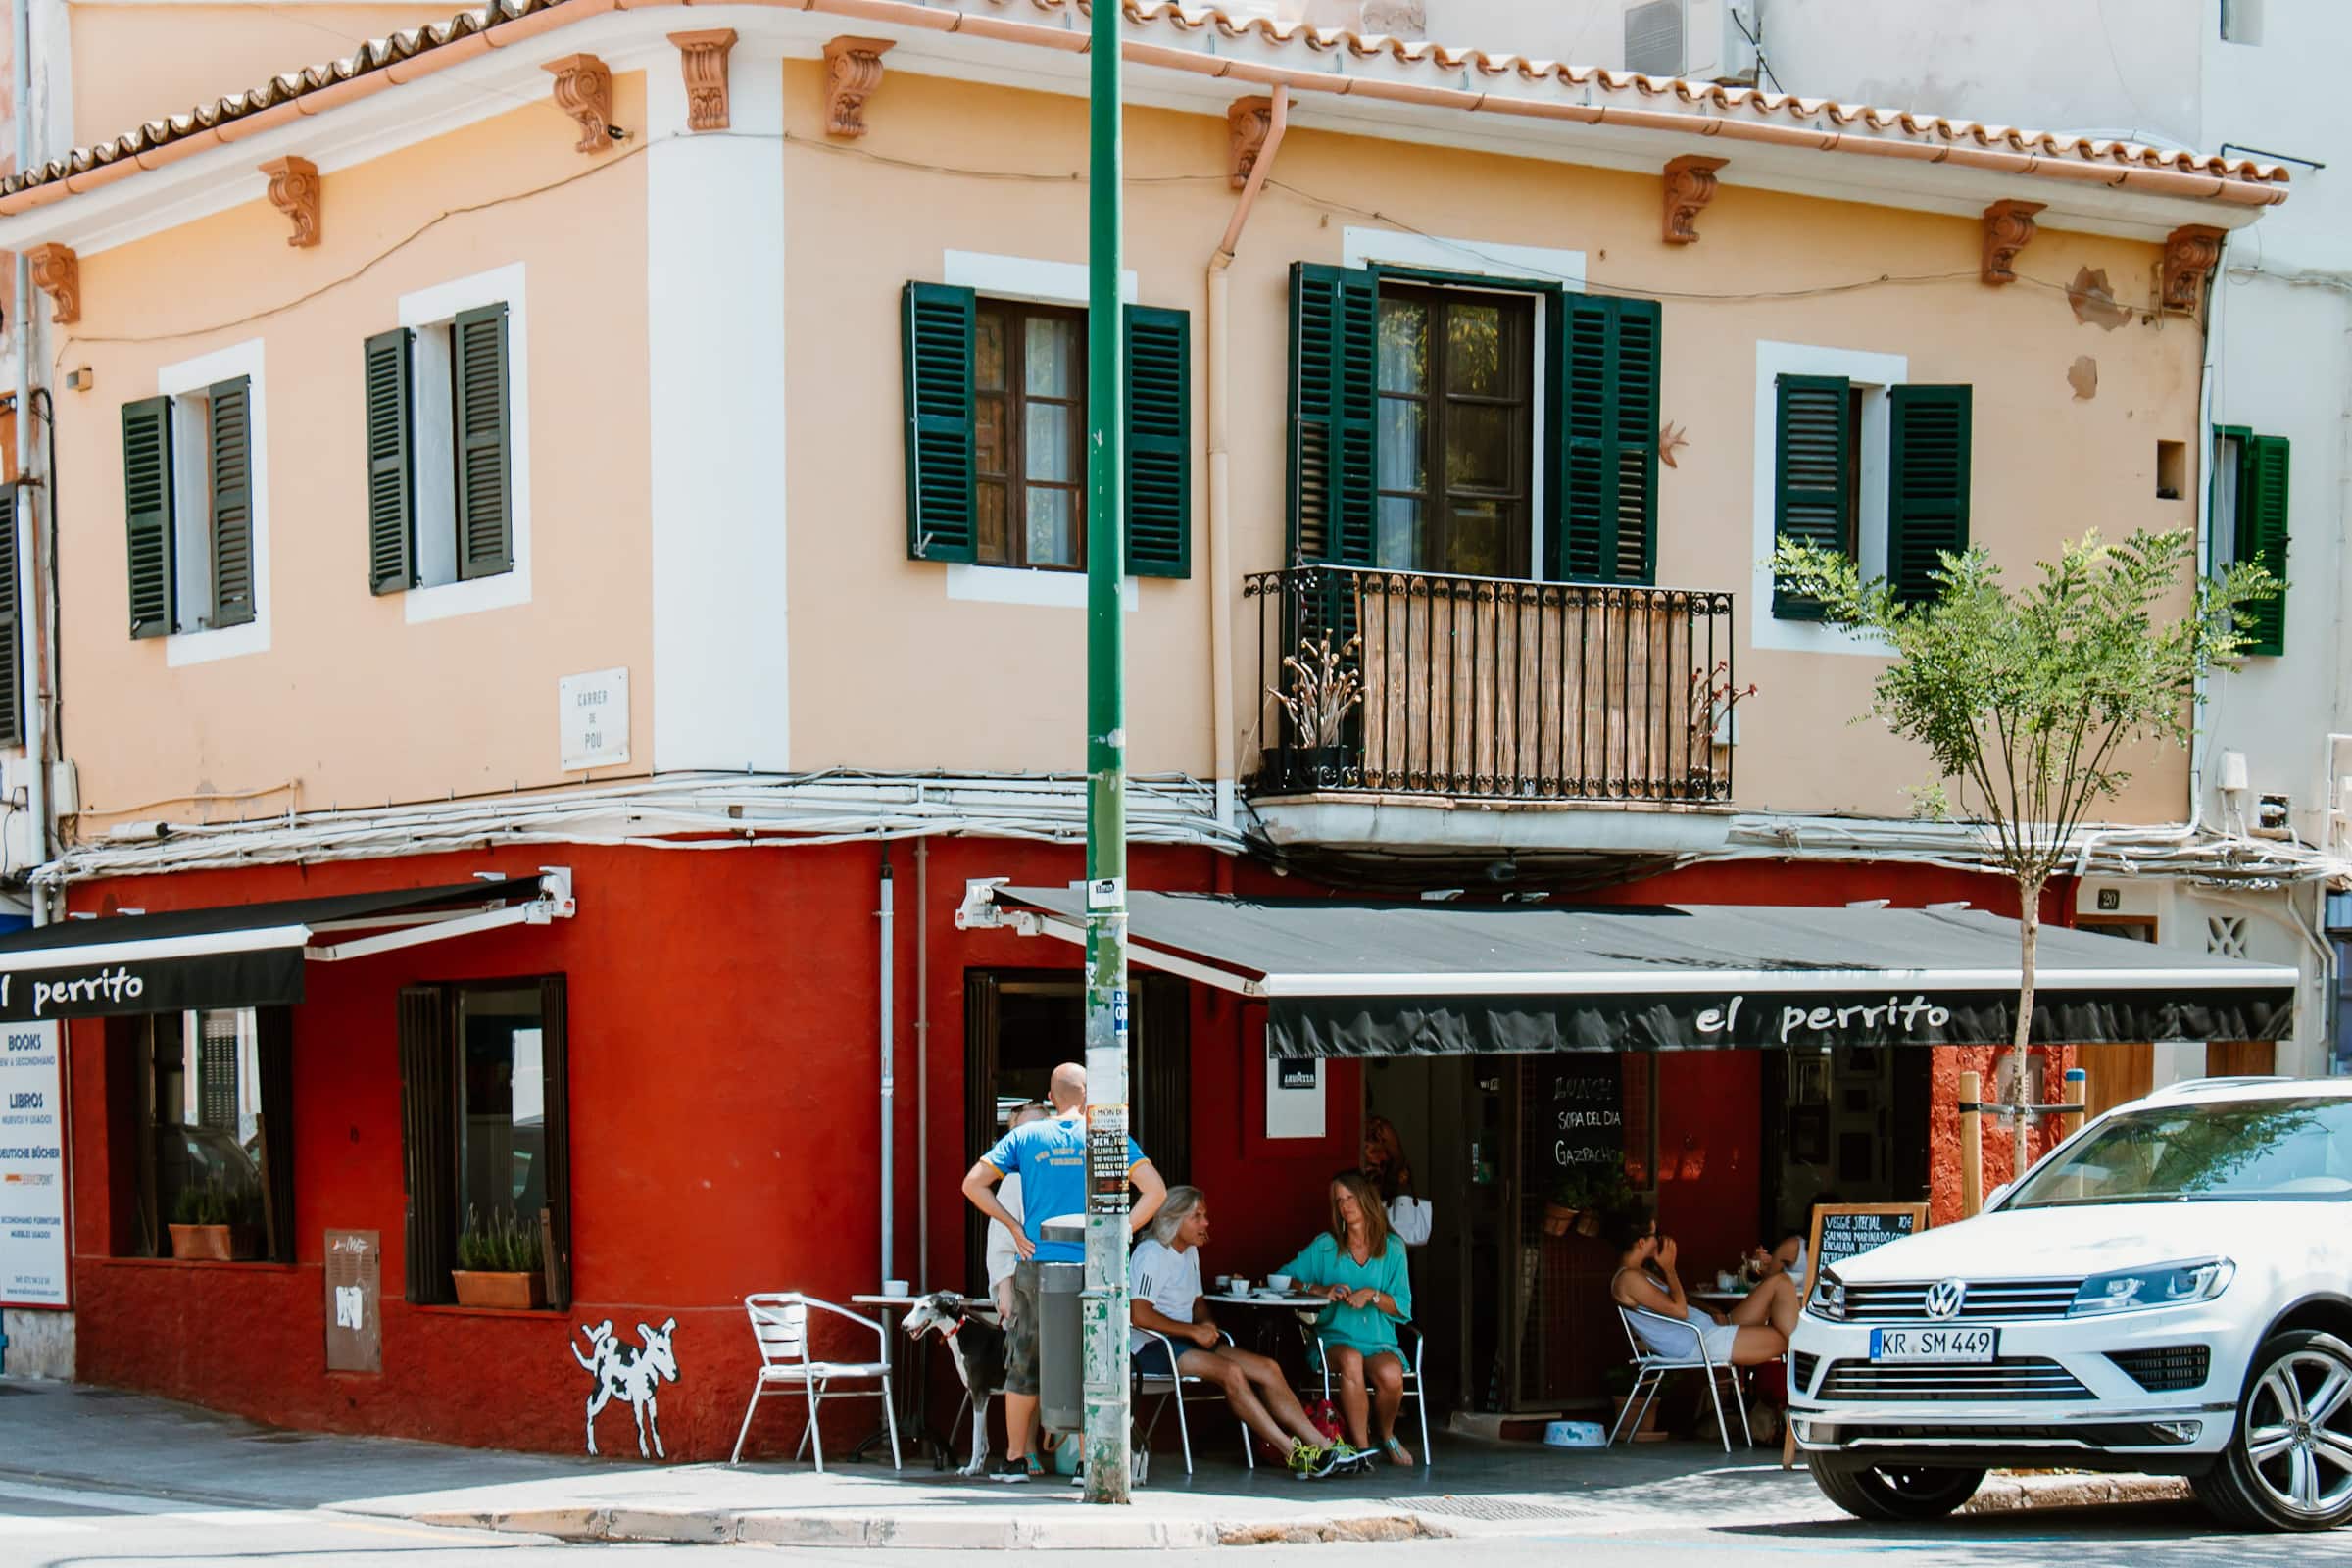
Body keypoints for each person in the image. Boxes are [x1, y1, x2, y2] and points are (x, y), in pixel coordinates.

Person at [963, 1063, 1166, 1484]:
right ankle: (1086, 1463)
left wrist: (1013, 1226)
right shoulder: (1106, 1137)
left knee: (1025, 1361)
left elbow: (973, 1184)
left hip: (1038, 1262)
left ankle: (1016, 1459)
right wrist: (1121, 1232)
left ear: (1052, 1098)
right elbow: (1156, 1191)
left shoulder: (1025, 1136)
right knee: (1092, 1362)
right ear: (1089, 1096)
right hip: (1094, 1266)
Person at [1129, 1186, 1348, 1478]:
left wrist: (1205, 1324)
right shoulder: (1151, 1254)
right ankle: (1293, 1453)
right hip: (1152, 1348)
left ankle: (1323, 1445)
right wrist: (1193, 1331)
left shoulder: (1189, 1252)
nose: (1206, 1223)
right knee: (1231, 1371)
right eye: (1198, 1217)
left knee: (1268, 1368)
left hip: (1187, 1339)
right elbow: (1138, 1314)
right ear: (1174, 1219)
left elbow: (1198, 1302)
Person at [1275, 1170, 1417, 1468]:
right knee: (1351, 1359)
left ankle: (1387, 1435)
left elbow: (1403, 1306)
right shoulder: (1326, 1245)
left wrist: (1373, 1295)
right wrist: (1320, 1289)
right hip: (1333, 1340)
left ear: (1366, 1199)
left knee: (1391, 1375)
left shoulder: (1393, 1248)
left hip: (1379, 1341)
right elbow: (1283, 1278)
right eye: (1338, 1201)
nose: (1345, 1206)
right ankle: (1363, 1450)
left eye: (1350, 1198)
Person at [1604, 1205, 1789, 1367]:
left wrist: (1710, 1311)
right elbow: (1679, 1311)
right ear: (1642, 1242)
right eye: (1656, 1234)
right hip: (1700, 1342)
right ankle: (1811, 1354)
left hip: (1710, 1328)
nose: (1660, 1240)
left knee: (1780, 1282)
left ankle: (1809, 1348)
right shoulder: (1628, 1279)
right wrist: (1670, 1269)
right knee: (1789, 1339)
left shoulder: (1638, 1272)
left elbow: (1681, 1301)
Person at [984, 1100, 1051, 1461]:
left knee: (1047, 1365)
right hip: (1025, 1282)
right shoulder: (1013, 1180)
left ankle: (1041, 1442)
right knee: (1027, 1364)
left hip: (1050, 1278)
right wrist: (1005, 1290)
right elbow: (1001, 1243)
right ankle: (1023, 1446)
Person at [1362, 1116, 1432, 1248]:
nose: (1380, 1158)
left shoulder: (1379, 1128)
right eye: (1375, 1152)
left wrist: (1389, 1180)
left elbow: (1399, 1162)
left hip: (1381, 1202)